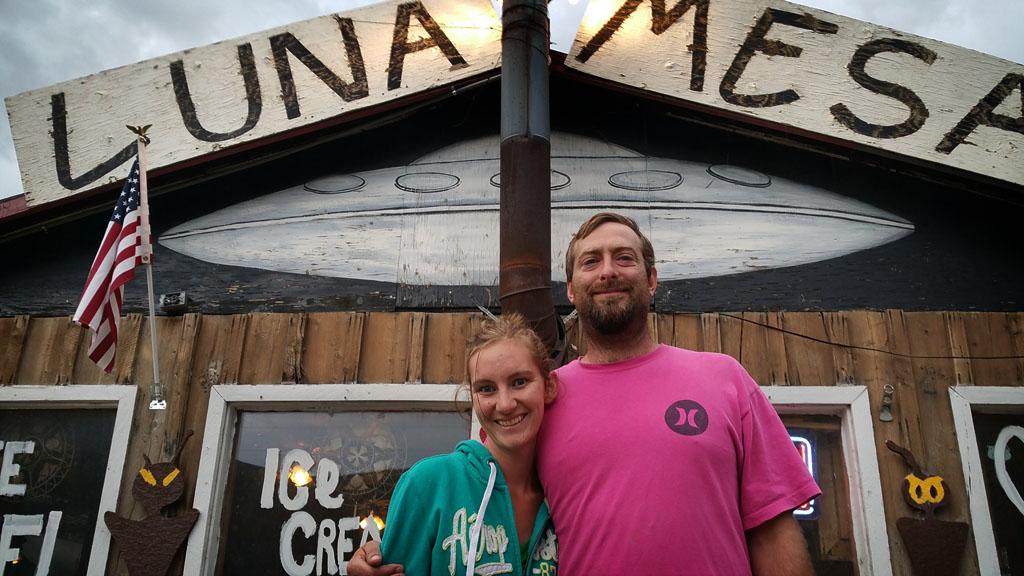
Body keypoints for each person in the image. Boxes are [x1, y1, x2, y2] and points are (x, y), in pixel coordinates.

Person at [351, 212, 819, 575]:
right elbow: (478, 489)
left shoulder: (725, 379)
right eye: (591, 261)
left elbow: (772, 526)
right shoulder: (547, 398)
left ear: (652, 279)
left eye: (625, 257)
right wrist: (377, 558)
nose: (608, 271)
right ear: (572, 291)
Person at [377, 313, 559, 576]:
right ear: (471, 397)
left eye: (520, 382)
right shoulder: (427, 485)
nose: (505, 404)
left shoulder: (566, 496)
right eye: (486, 389)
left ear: (548, 386)